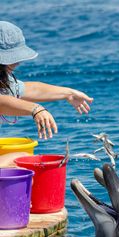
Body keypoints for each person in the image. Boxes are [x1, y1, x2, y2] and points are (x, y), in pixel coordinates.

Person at [0, 21, 93, 167]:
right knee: (22, 159)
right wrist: (35, 109)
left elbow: (30, 89)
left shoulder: (3, 77)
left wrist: (68, 93)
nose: (17, 62)